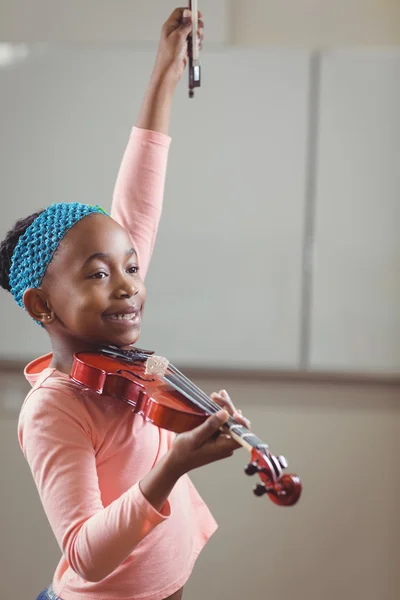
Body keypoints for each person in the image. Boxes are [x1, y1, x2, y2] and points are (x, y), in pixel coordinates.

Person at [0, 8, 250, 600]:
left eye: (132, 267)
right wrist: (173, 466)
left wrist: (166, 67)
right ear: (42, 306)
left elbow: (141, 192)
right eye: (97, 274)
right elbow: (84, 557)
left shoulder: (125, 367)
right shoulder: (53, 411)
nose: (128, 284)